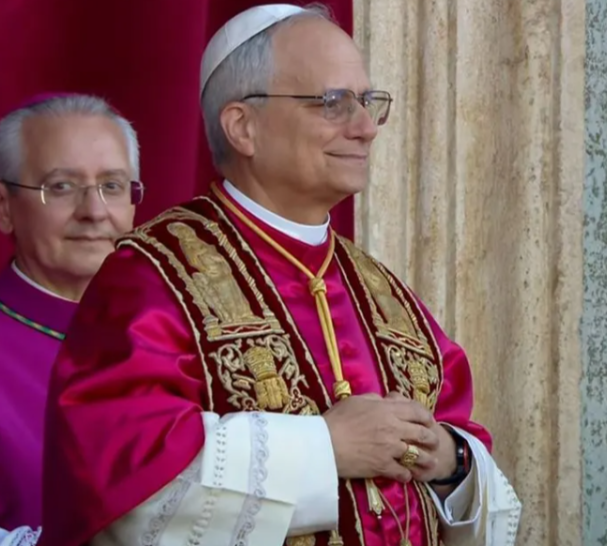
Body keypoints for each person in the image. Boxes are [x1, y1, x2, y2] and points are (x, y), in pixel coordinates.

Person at [41, 5, 521, 546]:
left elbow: (466, 449)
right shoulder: (153, 278)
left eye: (368, 103)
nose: (364, 128)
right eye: (334, 103)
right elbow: (120, 488)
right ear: (243, 126)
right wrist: (324, 448)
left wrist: (452, 463)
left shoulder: (384, 292)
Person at [0, 93, 142, 538]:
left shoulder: (184, 328)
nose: (94, 212)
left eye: (113, 186)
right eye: (61, 187)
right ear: (5, 208)